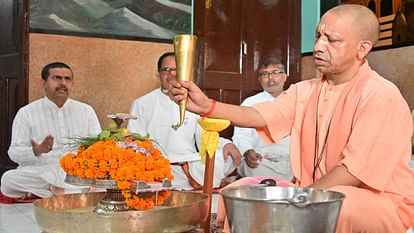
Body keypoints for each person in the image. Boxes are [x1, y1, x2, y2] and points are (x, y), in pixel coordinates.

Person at [171, 4, 414, 233]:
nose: (319, 46)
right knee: (237, 192)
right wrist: (207, 106)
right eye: (319, 36)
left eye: (332, 40)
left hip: (377, 201)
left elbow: (354, 172)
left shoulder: (380, 95)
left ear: (362, 49)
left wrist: (300, 198)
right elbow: (258, 115)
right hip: (312, 193)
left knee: (338, 206)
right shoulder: (305, 90)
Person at [127, 52, 241, 190]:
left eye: (177, 69)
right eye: (167, 70)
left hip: (191, 161)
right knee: (146, 168)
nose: (172, 74)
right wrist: (156, 162)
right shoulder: (142, 103)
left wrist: (227, 144)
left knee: (223, 157)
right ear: (158, 74)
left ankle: (189, 178)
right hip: (160, 163)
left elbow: (205, 136)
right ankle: (208, 181)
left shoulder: (193, 101)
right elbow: (136, 142)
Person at [1, 62, 101, 200]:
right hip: (42, 173)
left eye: (67, 79)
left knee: (112, 180)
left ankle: (47, 194)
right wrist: (37, 150)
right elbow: (14, 153)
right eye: (57, 78)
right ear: (43, 83)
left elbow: (98, 147)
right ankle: (72, 194)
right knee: (8, 180)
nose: (63, 83)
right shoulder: (26, 113)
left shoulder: (86, 111)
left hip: (76, 173)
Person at [233, 58, 292, 181]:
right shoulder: (250, 103)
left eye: (275, 73)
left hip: (290, 158)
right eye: (265, 74)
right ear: (260, 80)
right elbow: (241, 135)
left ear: (285, 76)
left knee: (302, 166)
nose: (270, 78)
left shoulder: (295, 101)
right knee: (254, 167)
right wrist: (248, 151)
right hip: (261, 158)